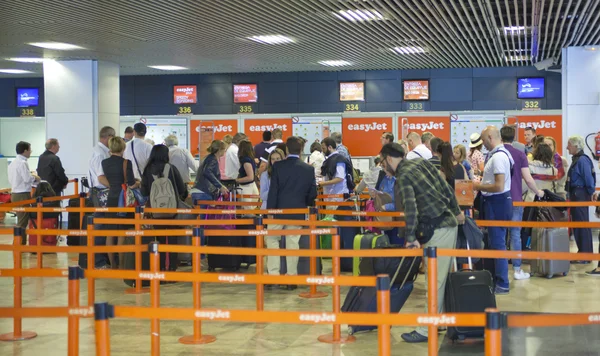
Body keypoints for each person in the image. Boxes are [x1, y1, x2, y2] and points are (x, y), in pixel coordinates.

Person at [377, 143, 464, 343]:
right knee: (439, 277)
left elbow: (410, 207)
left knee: (434, 280)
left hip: (437, 229)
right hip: (447, 225)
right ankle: (438, 321)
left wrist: (410, 238)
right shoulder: (420, 163)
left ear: (390, 159)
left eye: (382, 162)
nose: (382, 166)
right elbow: (445, 187)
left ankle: (426, 330)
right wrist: (457, 211)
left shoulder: (404, 176)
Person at [266, 137, 317, 289]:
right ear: (301, 150)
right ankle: (291, 279)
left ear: (287, 150)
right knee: (293, 243)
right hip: (298, 211)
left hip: (278, 211)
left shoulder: (278, 167)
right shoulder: (308, 169)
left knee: (272, 241)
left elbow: (273, 191)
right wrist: (305, 203)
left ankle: (273, 276)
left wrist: (270, 210)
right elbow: (312, 193)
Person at [500, 125, 543, 281]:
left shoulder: (495, 154)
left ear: (500, 137)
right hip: (516, 200)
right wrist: (538, 192)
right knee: (515, 235)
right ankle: (517, 270)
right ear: (514, 137)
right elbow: (528, 179)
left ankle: (500, 269)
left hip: (498, 200)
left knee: (500, 235)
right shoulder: (520, 154)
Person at [474, 126, 513, 295]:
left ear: (490, 137)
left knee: (498, 244)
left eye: (483, 140)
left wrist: (477, 185)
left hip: (497, 202)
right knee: (494, 243)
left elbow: (499, 185)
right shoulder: (501, 155)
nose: (482, 144)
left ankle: (502, 283)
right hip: (496, 202)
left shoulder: (498, 158)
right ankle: (496, 280)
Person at [141, 145, 188, 271]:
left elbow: (144, 192)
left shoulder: (147, 170)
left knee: (159, 239)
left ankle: (161, 267)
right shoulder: (172, 169)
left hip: (155, 211)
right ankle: (172, 267)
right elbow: (182, 189)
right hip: (172, 210)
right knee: (172, 238)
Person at [101, 136, 138, 269]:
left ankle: (112, 264)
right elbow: (131, 184)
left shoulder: (104, 163)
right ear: (123, 147)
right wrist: (138, 183)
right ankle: (122, 264)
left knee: (110, 232)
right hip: (123, 200)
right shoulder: (126, 163)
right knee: (123, 231)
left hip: (111, 198)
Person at [82, 126, 115, 270]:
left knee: (103, 225)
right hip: (102, 192)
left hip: (99, 191)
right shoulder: (100, 154)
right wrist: (115, 188)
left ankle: (101, 259)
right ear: (108, 137)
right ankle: (98, 262)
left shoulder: (99, 151)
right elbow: (101, 178)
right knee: (100, 226)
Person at [566, 135, 595, 261]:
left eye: (569, 145)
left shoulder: (582, 160)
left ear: (575, 146)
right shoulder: (577, 159)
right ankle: (583, 252)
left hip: (580, 194)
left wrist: (590, 193)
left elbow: (588, 179)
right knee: (579, 224)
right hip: (577, 194)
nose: (567, 147)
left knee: (581, 224)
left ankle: (585, 255)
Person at [8, 141, 41, 245]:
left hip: (15, 194)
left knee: (21, 219)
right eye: (30, 149)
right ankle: (19, 245)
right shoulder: (22, 163)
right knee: (22, 221)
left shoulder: (13, 163)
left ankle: (19, 243)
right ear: (25, 150)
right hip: (22, 194)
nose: (31, 152)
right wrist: (35, 177)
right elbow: (27, 179)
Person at [236, 140, 259, 206]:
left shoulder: (246, 161)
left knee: (247, 211)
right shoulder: (251, 159)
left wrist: (237, 180)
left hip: (246, 188)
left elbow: (250, 177)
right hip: (251, 187)